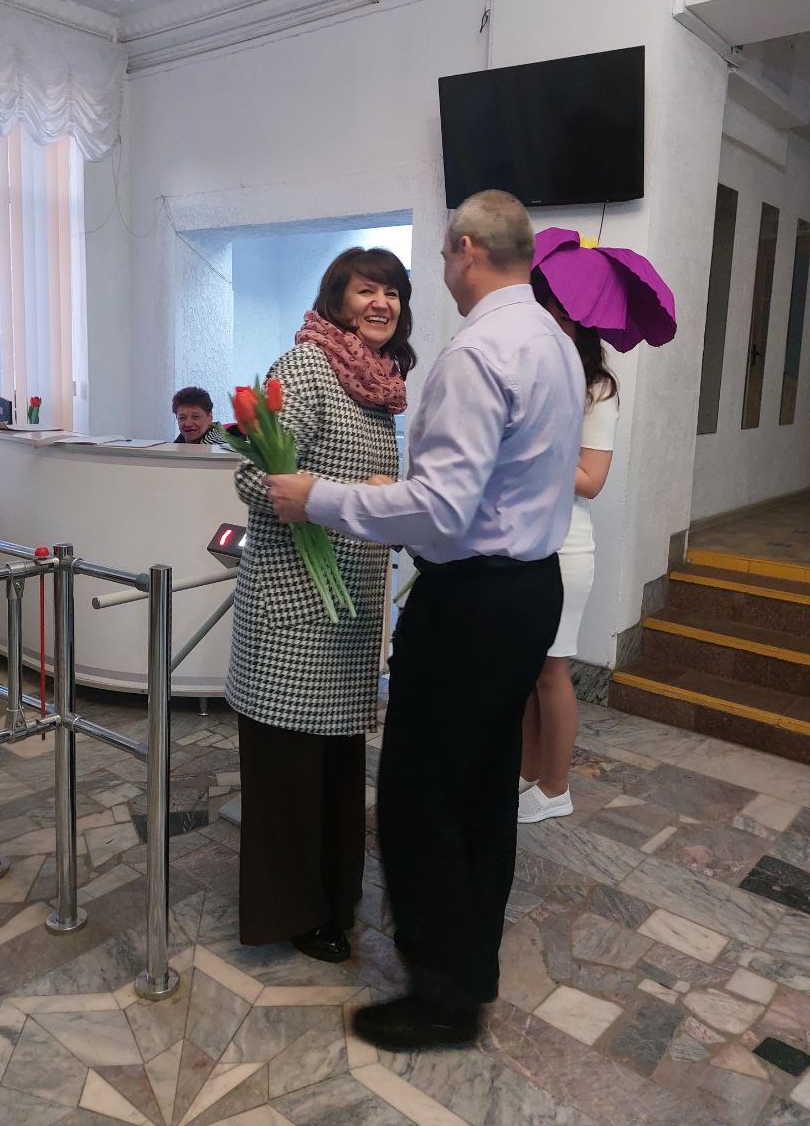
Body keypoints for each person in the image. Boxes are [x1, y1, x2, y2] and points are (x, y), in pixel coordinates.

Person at [267, 190, 585, 1051]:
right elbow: (490, 483)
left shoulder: (476, 353)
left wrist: (320, 497)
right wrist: (399, 494)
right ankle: (470, 965)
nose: (432, 276)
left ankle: (441, 999)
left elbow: (443, 514)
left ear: (466, 250)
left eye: (438, 260)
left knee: (420, 795)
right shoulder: (554, 341)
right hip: (530, 587)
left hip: (472, 601)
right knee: (483, 783)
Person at [227, 247, 415, 963]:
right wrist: (348, 496)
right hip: (294, 608)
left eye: (392, 292)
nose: (381, 303)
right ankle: (294, 912)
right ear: (336, 299)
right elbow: (252, 476)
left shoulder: (381, 384)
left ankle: (333, 899)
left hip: (350, 613)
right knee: (288, 774)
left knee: (334, 771)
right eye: (366, 290)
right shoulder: (307, 365)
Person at [518, 272, 619, 824]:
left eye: (566, 317)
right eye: (548, 313)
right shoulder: (533, 377)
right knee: (528, 671)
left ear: (584, 326)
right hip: (524, 541)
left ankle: (556, 788)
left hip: (565, 547)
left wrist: (532, 450)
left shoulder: (597, 389)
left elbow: (591, 480)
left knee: (551, 672)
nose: (556, 325)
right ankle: (527, 774)